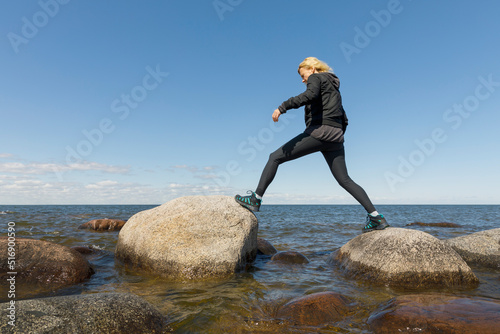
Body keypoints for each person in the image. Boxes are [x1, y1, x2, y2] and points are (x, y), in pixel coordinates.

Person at [234, 57, 389, 233]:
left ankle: (256, 198)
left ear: (312, 69)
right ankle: (376, 217)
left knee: (274, 157)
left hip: (321, 132)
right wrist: (336, 135)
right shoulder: (334, 88)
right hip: (336, 137)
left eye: (303, 74)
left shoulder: (317, 78)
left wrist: (282, 107)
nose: (303, 79)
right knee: (345, 180)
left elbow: (309, 95)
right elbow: (344, 118)